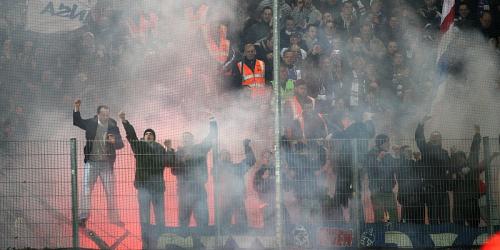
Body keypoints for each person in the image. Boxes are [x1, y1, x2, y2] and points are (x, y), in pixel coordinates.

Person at [118, 111, 175, 249]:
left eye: (151, 134)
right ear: (143, 137)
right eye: (146, 134)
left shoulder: (160, 148)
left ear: (154, 138)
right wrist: (125, 121)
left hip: (158, 189)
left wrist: (169, 148)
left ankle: (159, 244)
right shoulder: (139, 147)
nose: (149, 135)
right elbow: (131, 136)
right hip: (143, 188)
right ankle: (146, 246)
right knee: (145, 219)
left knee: (160, 219)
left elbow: (169, 162)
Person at [73, 99, 124, 227]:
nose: (106, 117)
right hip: (91, 162)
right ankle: (83, 217)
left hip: (106, 165)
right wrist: (76, 108)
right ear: (98, 114)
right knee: (86, 190)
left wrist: (114, 142)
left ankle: (114, 218)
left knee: (110, 191)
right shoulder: (91, 123)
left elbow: (120, 144)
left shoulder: (113, 125)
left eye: (107, 114)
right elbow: (77, 122)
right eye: (104, 114)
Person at [172, 116, 217, 228]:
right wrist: (183, 161)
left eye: (188, 138)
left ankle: (203, 244)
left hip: (198, 191)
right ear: (182, 141)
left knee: (202, 221)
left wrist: (212, 121)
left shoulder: (200, 149)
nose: (186, 140)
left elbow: (211, 137)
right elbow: (174, 171)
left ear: (193, 140)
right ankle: (183, 244)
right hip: (184, 193)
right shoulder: (178, 154)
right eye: (184, 138)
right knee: (183, 223)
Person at [415, 115, 452, 224]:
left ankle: (446, 238)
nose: (436, 139)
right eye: (434, 137)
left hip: (443, 190)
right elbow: (419, 139)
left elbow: (449, 167)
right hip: (431, 190)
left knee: (445, 218)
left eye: (438, 137)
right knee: (434, 218)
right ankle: (435, 237)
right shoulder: (426, 150)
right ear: (431, 139)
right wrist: (421, 124)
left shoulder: (444, 153)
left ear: (440, 139)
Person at [216, 139, 256, 230]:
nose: (225, 156)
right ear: (219, 158)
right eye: (223, 154)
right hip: (225, 199)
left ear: (230, 157)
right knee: (224, 226)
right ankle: (224, 241)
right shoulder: (217, 169)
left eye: (227, 154)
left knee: (242, 224)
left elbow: (251, 161)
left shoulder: (237, 168)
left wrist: (246, 146)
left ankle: (243, 241)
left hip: (237, 197)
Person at [366, 134, 398, 223]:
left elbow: (396, 168)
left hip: (388, 190)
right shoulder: (371, 154)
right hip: (377, 191)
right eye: (387, 142)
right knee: (379, 216)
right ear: (381, 143)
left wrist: (397, 154)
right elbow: (371, 170)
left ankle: (394, 234)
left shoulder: (388, 155)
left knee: (394, 215)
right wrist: (379, 159)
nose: (389, 144)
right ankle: (380, 235)